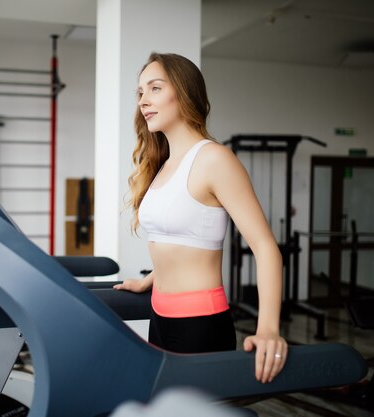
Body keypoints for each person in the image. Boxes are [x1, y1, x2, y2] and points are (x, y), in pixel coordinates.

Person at [113, 52, 288, 383]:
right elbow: (180, 239)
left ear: (183, 91)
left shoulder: (214, 160)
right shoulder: (163, 165)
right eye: (140, 92)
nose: (143, 101)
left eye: (154, 88)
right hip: (160, 315)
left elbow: (265, 247)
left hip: (199, 324)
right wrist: (149, 281)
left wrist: (268, 329)